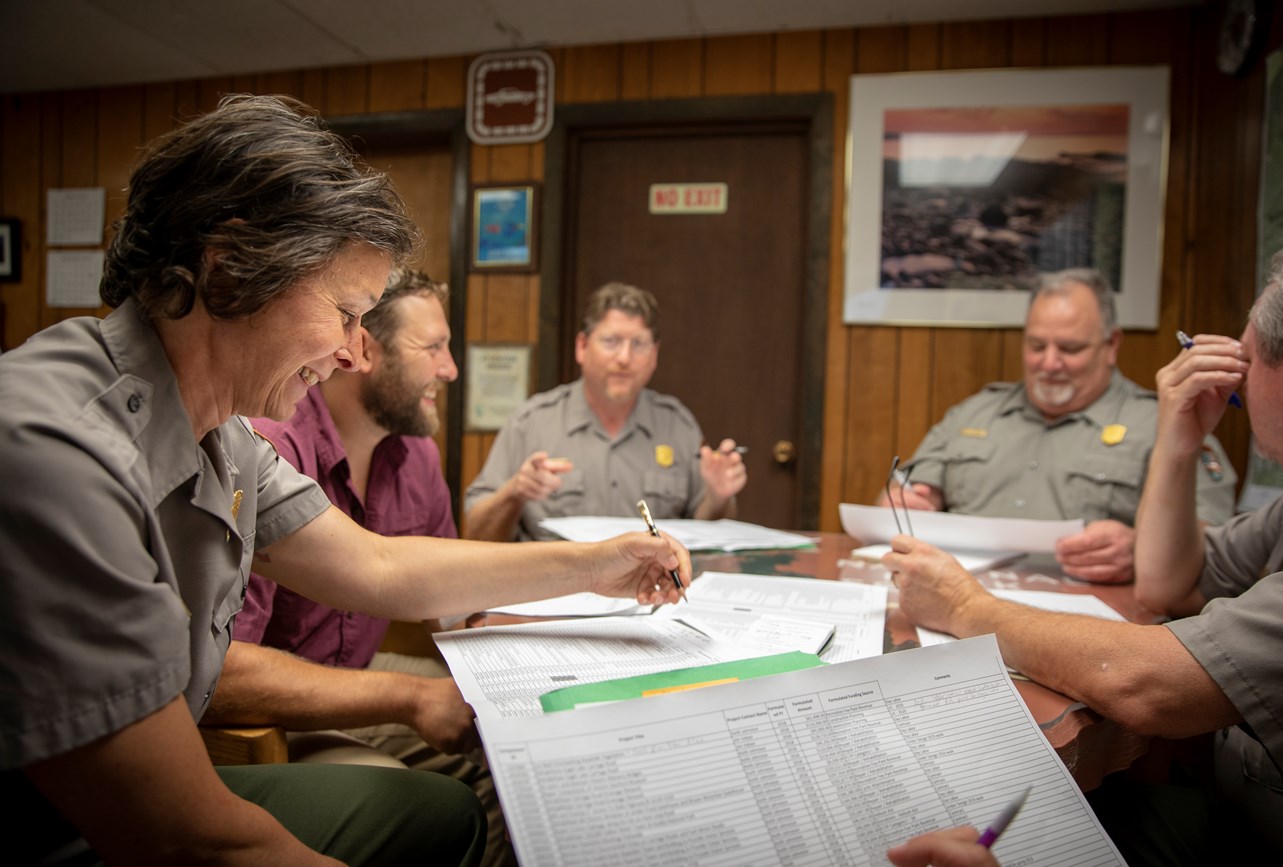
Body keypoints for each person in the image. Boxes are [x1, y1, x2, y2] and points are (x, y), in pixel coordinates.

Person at [0, 94, 690, 866]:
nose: (355, 355)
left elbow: (378, 561)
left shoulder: (221, 437)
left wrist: (602, 565)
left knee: (442, 814)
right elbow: (177, 835)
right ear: (230, 270)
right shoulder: (54, 449)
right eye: (346, 311)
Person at [884, 244, 1283, 863]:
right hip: (1229, 806)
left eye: (1245, 359)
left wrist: (966, 609)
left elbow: (1141, 683)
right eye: (1037, 344)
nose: (1234, 375)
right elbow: (1170, 585)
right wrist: (1177, 442)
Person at [201, 266, 515, 865]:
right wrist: (408, 696)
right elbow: (222, 671)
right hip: (275, 713)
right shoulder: (271, 443)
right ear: (362, 347)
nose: (450, 370)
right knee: (414, 797)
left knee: (508, 758)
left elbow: (446, 603)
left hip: (356, 671)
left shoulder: (415, 453)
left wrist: (549, 646)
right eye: (434, 349)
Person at [880, 268, 1236, 584]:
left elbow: (1217, 546)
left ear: (1111, 345)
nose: (1049, 363)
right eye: (1036, 346)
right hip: (959, 605)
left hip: (1093, 625)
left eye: (1069, 348)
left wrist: (1140, 548)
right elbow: (900, 491)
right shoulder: (975, 412)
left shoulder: (1168, 425)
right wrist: (909, 500)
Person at [463, 282, 748, 541]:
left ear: (654, 355)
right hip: (555, 590)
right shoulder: (532, 423)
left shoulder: (678, 425)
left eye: (638, 344)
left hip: (654, 588)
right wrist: (516, 492)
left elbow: (709, 538)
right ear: (582, 347)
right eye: (611, 342)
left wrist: (719, 497)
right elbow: (476, 533)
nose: (624, 358)